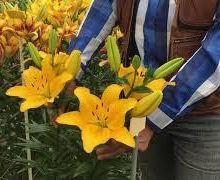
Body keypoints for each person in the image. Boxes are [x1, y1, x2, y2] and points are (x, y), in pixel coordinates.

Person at [68, 0, 220, 179]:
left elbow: (215, 56)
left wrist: (151, 119)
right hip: (141, 104)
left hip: (203, 114)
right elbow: (102, 9)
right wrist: (69, 73)